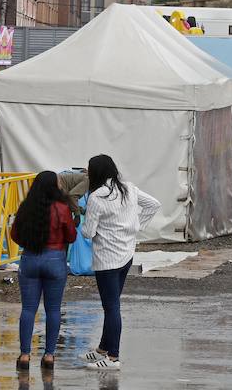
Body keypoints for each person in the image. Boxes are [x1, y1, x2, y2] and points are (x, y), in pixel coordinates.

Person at [80, 155, 160, 370]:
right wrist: (136, 227)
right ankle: (102, 350)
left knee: (111, 306)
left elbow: (88, 232)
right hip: (126, 254)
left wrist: (85, 217)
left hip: (107, 259)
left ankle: (113, 357)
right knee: (112, 304)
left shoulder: (97, 197)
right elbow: (154, 204)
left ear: (95, 173)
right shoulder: (128, 188)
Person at [10, 171, 76, 371]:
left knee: (28, 309)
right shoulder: (62, 208)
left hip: (30, 258)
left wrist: (30, 244)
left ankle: (24, 354)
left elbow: (14, 234)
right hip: (55, 259)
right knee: (53, 309)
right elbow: (71, 236)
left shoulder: (26, 208)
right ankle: (49, 355)